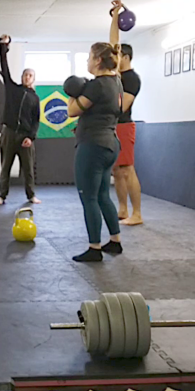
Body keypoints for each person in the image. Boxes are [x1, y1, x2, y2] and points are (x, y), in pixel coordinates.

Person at [67, 42, 123, 262]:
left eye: (90, 57)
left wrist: (71, 91)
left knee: (88, 197)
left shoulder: (97, 85)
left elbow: (72, 110)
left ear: (98, 60)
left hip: (93, 145)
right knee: (102, 195)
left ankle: (94, 248)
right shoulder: (116, 81)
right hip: (111, 144)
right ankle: (115, 241)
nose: (87, 61)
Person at [0, 35, 41, 205]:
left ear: (34, 79)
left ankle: (31, 195)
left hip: (25, 136)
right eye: (25, 75)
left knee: (28, 169)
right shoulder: (12, 89)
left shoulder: (35, 98)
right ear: (22, 77)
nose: (27, 77)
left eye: (30, 75)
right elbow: (4, 68)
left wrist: (31, 137)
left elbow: (36, 120)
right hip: (9, 133)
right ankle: (2, 195)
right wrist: (3, 47)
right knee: (5, 166)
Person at [109, 0, 143, 225]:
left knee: (128, 169)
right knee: (117, 171)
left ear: (126, 58)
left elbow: (122, 107)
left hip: (124, 126)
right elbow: (113, 44)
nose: (115, 59)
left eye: (119, 56)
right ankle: (122, 209)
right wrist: (114, 17)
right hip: (114, 126)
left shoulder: (132, 79)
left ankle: (137, 214)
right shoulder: (119, 75)